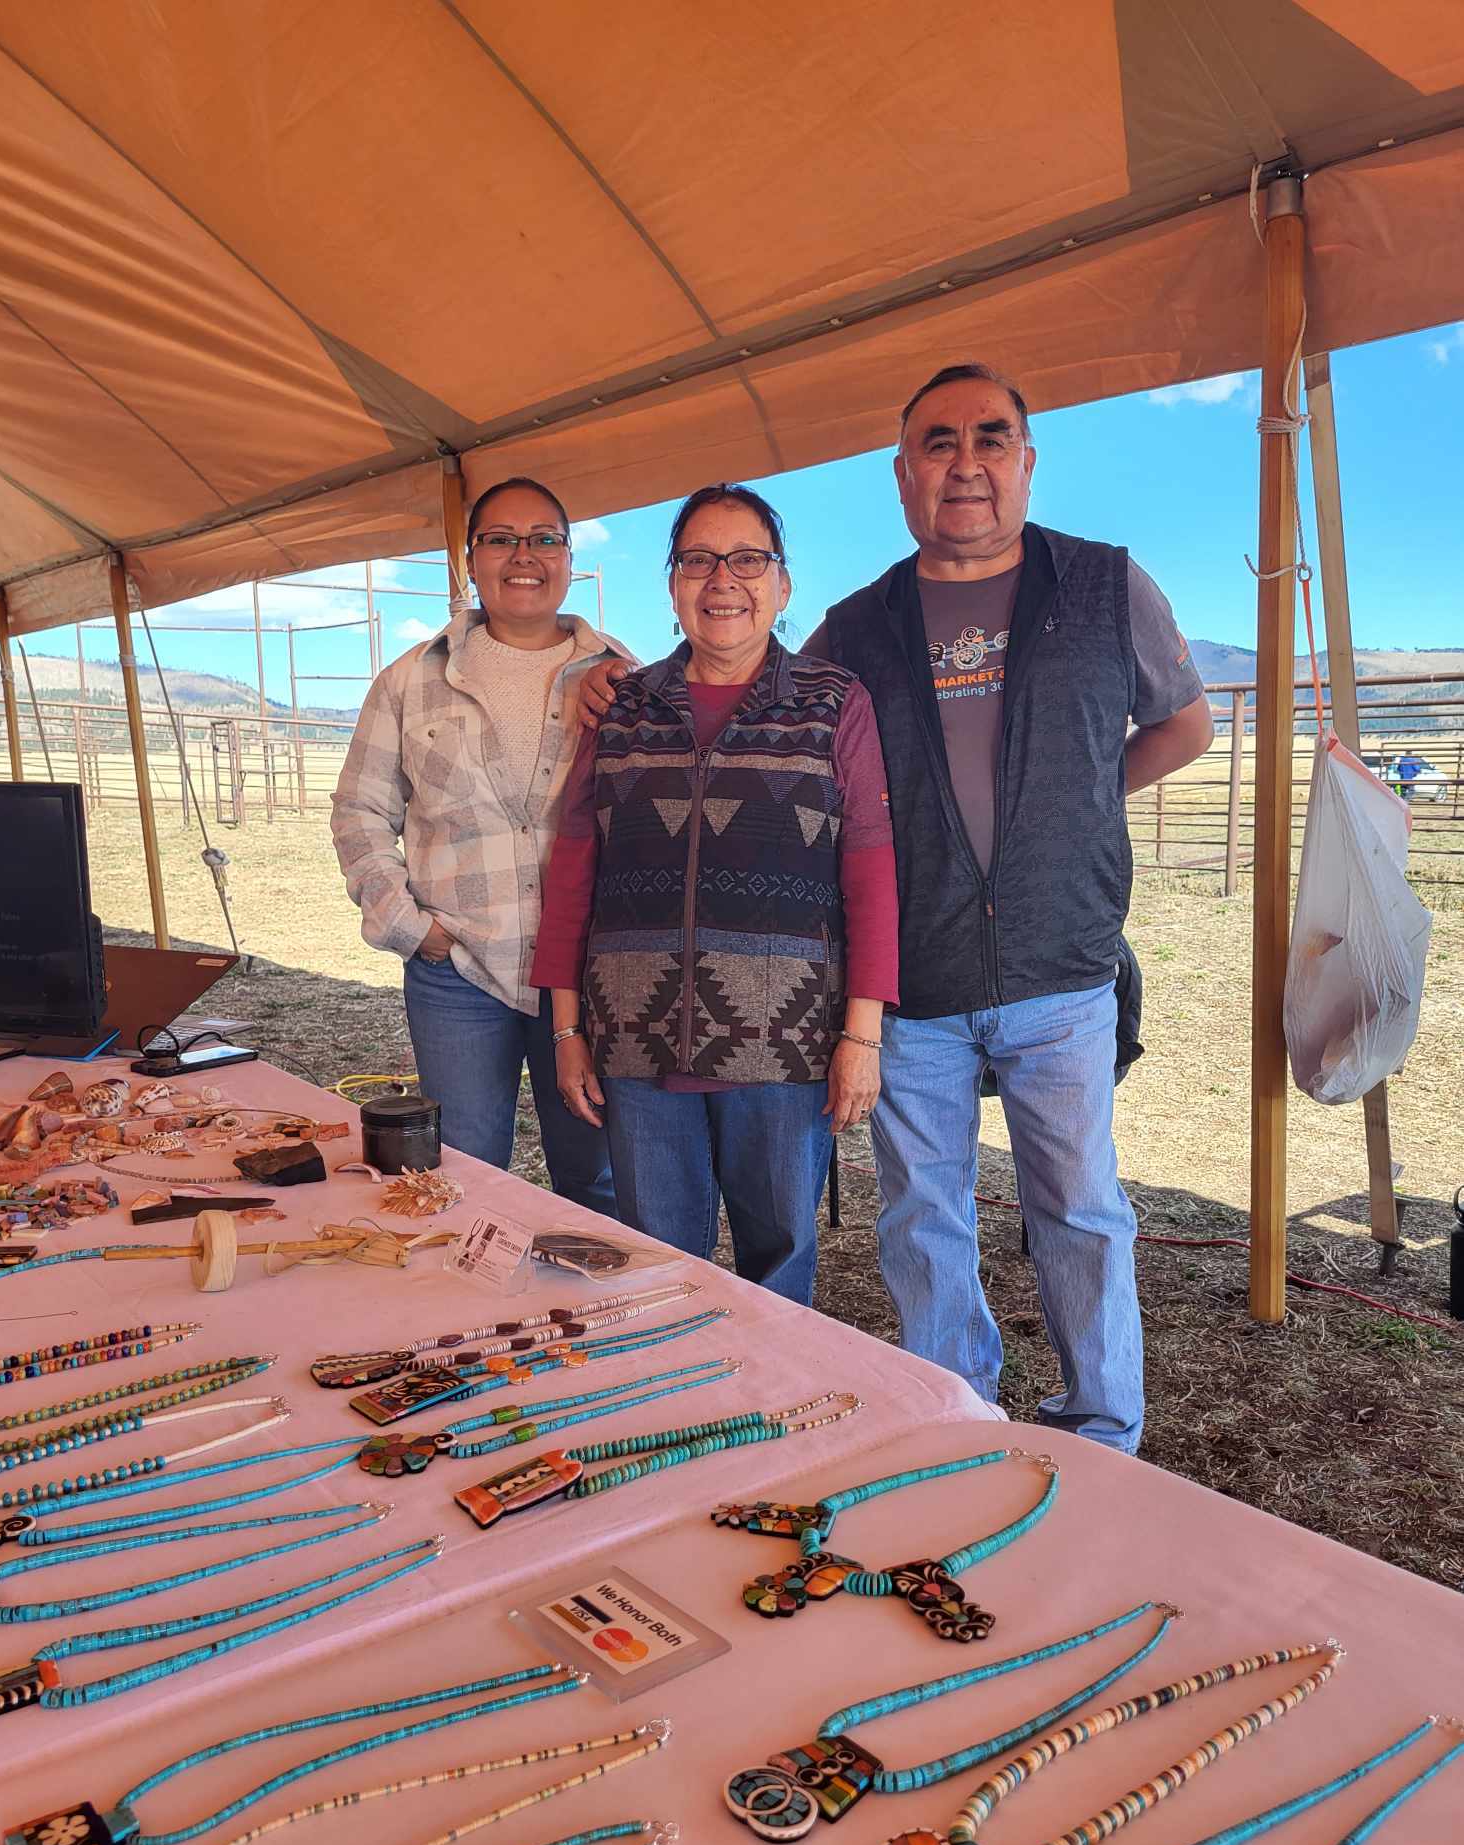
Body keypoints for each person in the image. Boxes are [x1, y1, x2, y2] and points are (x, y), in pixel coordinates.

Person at [580, 365, 1213, 1451]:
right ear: (901, 472)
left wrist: (1066, 811)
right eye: (937, 441)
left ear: (1025, 459)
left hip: (1061, 969)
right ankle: (954, 1412)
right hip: (912, 981)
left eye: (989, 437)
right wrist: (623, 683)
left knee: (1081, 1209)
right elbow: (757, 692)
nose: (964, 460)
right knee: (925, 1213)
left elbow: (1184, 726)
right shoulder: (858, 627)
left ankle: (1103, 1423)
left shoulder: (1106, 588)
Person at [532, 483, 898, 1305]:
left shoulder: (833, 704)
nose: (721, 579)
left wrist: (861, 1036)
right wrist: (565, 1027)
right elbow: (574, 870)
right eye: (698, 559)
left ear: (782, 584)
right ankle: (676, 1406)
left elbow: (871, 873)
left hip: (784, 1041)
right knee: (656, 1261)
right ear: (672, 585)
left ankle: (769, 1417)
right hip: (634, 1033)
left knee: (779, 1256)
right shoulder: (623, 707)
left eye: (747, 559)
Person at [330, 477, 633, 1213]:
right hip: (459, 969)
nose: (523, 556)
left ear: (569, 557)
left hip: (586, 975)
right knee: (458, 1174)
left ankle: (585, 1318)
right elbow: (360, 811)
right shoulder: (410, 681)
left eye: (543, 538)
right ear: (471, 559)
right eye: (500, 539)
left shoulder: (623, 676)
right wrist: (414, 929)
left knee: (593, 1173)